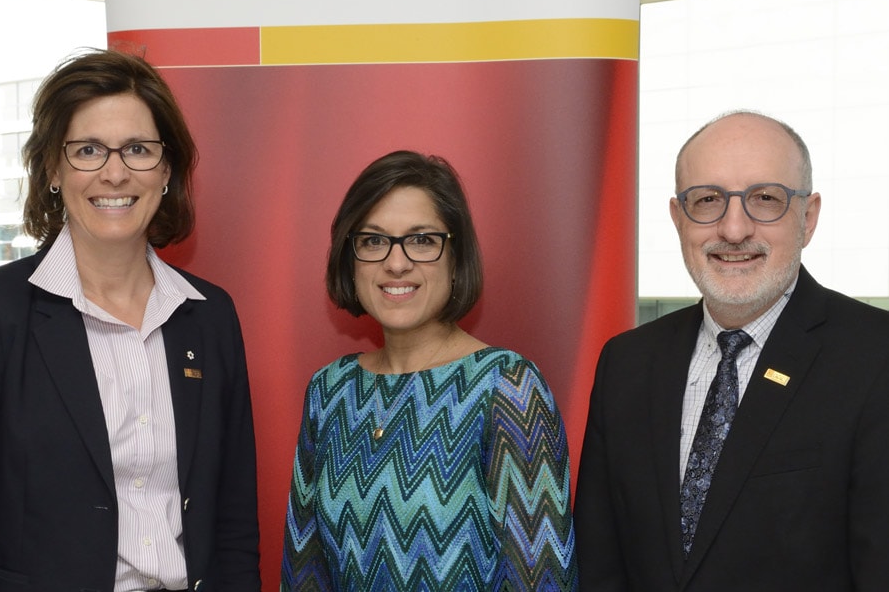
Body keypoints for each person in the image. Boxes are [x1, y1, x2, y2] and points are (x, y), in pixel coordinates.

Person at [0, 49, 261, 592]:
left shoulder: (210, 315)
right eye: (87, 150)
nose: (114, 172)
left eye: (137, 149)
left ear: (166, 168)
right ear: (54, 170)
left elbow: (232, 524)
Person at [574, 110, 889, 591]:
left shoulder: (874, 357)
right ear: (679, 219)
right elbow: (601, 563)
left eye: (766, 199)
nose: (735, 229)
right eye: (707, 200)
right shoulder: (627, 363)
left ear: (808, 218)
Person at [280, 150, 578, 590]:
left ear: (456, 258)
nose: (396, 263)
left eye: (422, 240)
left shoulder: (507, 387)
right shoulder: (331, 389)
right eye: (373, 240)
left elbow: (543, 581)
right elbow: (303, 570)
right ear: (351, 257)